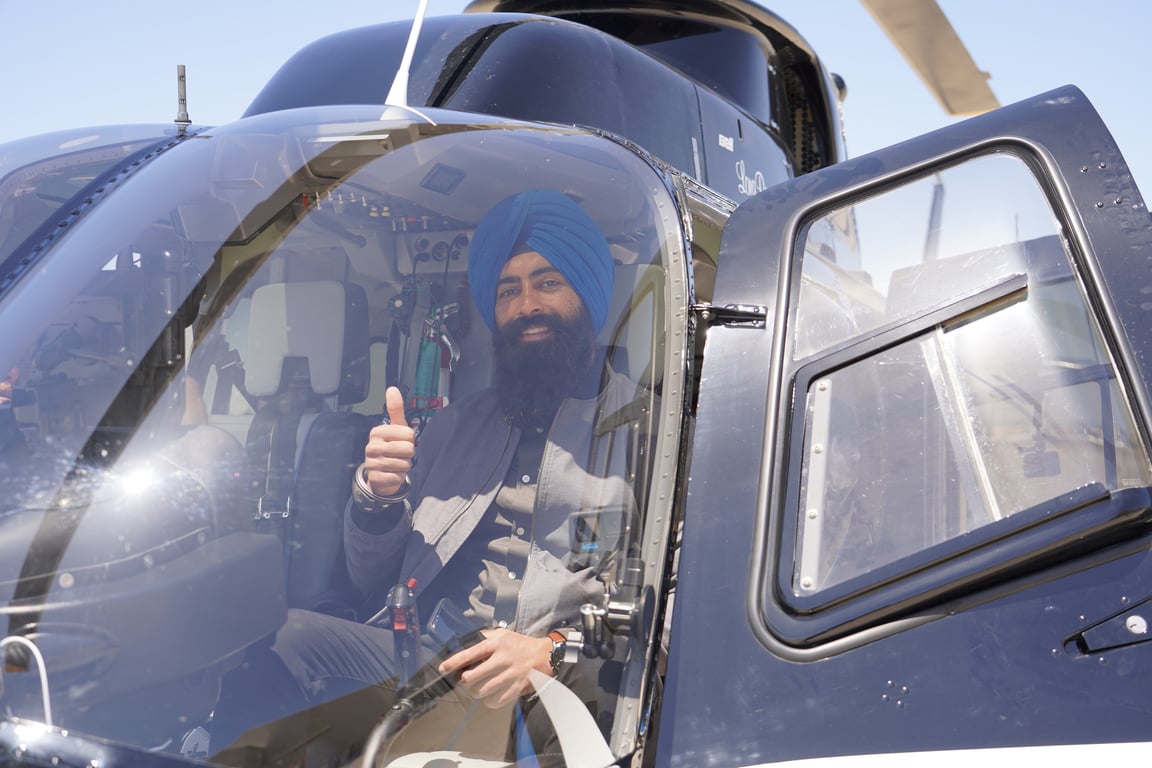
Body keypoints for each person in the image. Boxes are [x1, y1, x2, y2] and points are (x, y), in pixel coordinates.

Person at [212, 189, 645, 764]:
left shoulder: (644, 432)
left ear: (588, 296)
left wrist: (553, 650)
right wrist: (378, 497)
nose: (526, 305)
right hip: (429, 653)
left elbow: (668, 604)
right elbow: (372, 579)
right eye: (507, 289)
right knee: (283, 639)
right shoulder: (454, 427)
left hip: (551, 675)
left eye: (547, 282)